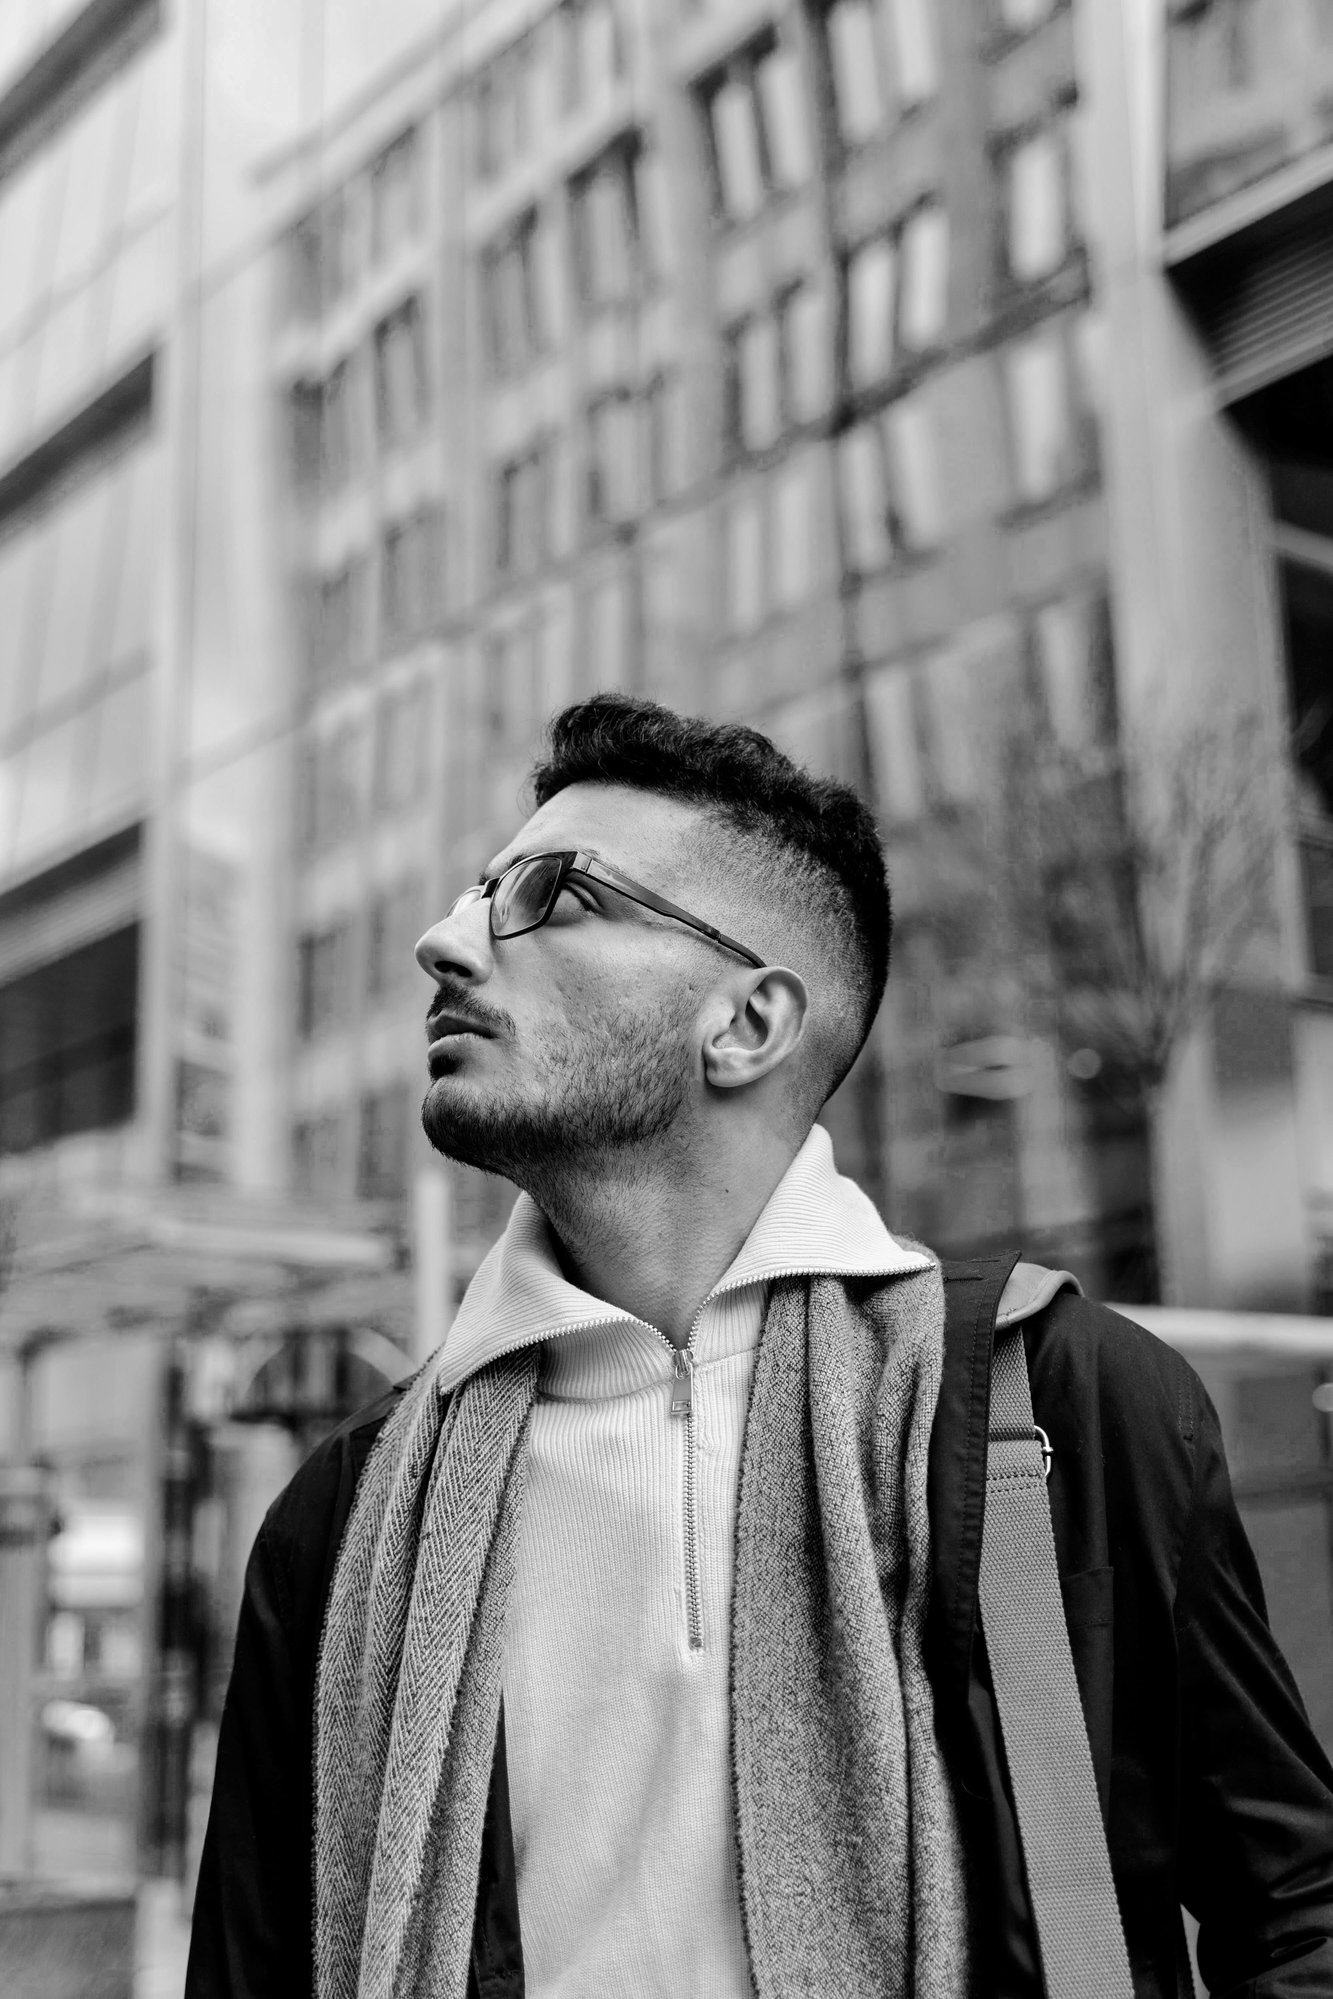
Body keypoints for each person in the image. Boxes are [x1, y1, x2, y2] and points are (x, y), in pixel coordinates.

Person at [187, 694, 1333, 1999]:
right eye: (472, 894)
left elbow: (1289, 1906)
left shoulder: (1055, 1405)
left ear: (747, 1024)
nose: (442, 942)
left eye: (551, 897)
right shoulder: (348, 1510)